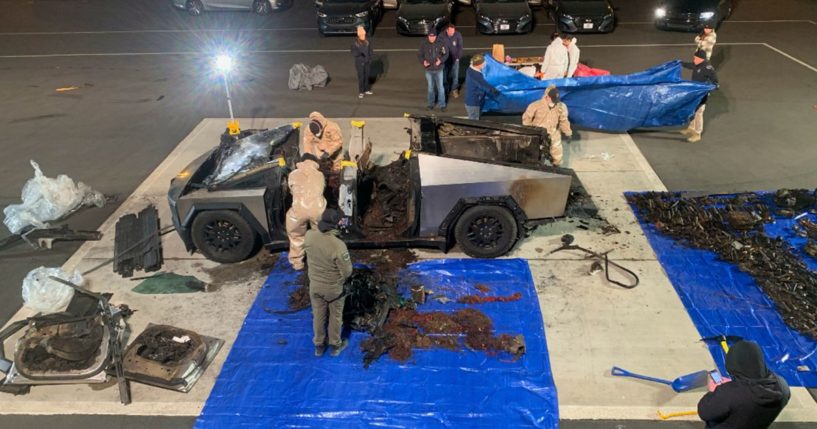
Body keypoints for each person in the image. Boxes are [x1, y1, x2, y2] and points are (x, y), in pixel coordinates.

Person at [698, 340, 790, 428]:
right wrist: (735, 385)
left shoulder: (728, 393)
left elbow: (705, 412)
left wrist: (713, 391)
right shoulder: (783, 386)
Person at [304, 209, 353, 357]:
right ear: (336, 225)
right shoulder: (338, 245)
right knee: (335, 316)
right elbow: (347, 271)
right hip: (333, 289)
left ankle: (319, 345)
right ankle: (335, 345)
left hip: (315, 287)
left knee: (318, 315)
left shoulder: (309, 236)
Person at [285, 153, 327, 271]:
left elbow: (291, 191)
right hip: (318, 209)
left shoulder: (293, 174)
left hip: (298, 209)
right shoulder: (320, 174)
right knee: (319, 236)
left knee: (296, 236)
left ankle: (297, 263)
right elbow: (322, 189)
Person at [522, 85, 572, 167]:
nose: (554, 102)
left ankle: (556, 168)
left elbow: (563, 120)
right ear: (547, 96)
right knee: (535, 154)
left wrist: (568, 132)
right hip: (538, 134)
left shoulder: (561, 107)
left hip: (553, 134)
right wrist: (529, 132)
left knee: (557, 156)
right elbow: (526, 119)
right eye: (552, 99)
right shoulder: (535, 105)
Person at [681, 49, 719, 143]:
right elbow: (689, 65)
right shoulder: (696, 64)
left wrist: (709, 88)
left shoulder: (708, 68)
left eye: (695, 58)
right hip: (694, 92)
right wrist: (680, 63)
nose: (694, 59)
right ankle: (691, 128)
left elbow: (715, 81)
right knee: (693, 110)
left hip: (702, 95)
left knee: (699, 113)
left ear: (701, 59)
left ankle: (697, 134)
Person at [417, 30, 449, 111]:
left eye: (433, 36)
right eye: (430, 36)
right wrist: (423, 61)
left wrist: (440, 61)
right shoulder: (424, 44)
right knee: (430, 88)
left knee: (440, 88)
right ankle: (430, 104)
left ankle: (442, 105)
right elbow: (420, 55)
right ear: (428, 36)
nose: (432, 38)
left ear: (436, 36)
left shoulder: (441, 42)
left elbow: (446, 54)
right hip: (429, 70)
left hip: (439, 70)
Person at [464, 54, 500, 120]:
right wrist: (494, 90)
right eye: (483, 63)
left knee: (476, 118)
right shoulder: (475, 75)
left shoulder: (471, 69)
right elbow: (483, 85)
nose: (484, 65)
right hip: (474, 102)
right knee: (474, 121)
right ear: (478, 65)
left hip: (473, 100)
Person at [439, 23, 464, 98]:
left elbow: (460, 47)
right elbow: (438, 47)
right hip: (445, 60)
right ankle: (446, 89)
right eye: (451, 31)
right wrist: (441, 56)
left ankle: (454, 89)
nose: (453, 33)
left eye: (454, 31)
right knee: (444, 75)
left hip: (454, 59)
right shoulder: (441, 36)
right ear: (447, 30)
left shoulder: (457, 34)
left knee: (455, 76)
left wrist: (457, 58)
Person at [351, 25, 374, 99]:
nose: (363, 33)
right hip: (360, 63)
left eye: (363, 31)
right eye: (361, 31)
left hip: (367, 62)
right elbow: (354, 53)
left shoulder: (367, 42)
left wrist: (370, 59)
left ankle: (367, 89)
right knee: (361, 77)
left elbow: (370, 51)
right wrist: (360, 54)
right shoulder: (355, 43)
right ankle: (361, 92)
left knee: (367, 76)